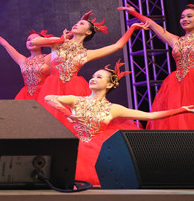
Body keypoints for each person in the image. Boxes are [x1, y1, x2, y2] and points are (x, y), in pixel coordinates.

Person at [45, 62, 194, 186]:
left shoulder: (114, 108)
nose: (93, 79)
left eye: (99, 77)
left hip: (99, 151)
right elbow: (49, 98)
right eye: (93, 76)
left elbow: (150, 116)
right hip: (77, 147)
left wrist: (181, 110)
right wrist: (69, 114)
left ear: (110, 84)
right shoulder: (76, 100)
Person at [33, 11, 146, 124]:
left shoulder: (87, 54)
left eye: (81, 24)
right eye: (76, 23)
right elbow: (35, 41)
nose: (76, 24)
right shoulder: (58, 43)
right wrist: (62, 39)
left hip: (74, 89)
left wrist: (132, 28)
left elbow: (118, 46)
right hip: (51, 86)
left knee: (77, 122)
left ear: (88, 32)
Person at [118, 3, 194, 130]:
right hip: (177, 84)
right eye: (182, 17)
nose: (184, 19)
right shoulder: (176, 40)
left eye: (189, 16)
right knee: (177, 118)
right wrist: (134, 13)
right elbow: (153, 25)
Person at [0, 23, 51, 101]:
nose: (31, 41)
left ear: (43, 42)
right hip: (26, 96)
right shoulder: (23, 60)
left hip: (44, 95)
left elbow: (60, 46)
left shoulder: (48, 58)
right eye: (28, 40)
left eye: (35, 39)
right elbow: (6, 45)